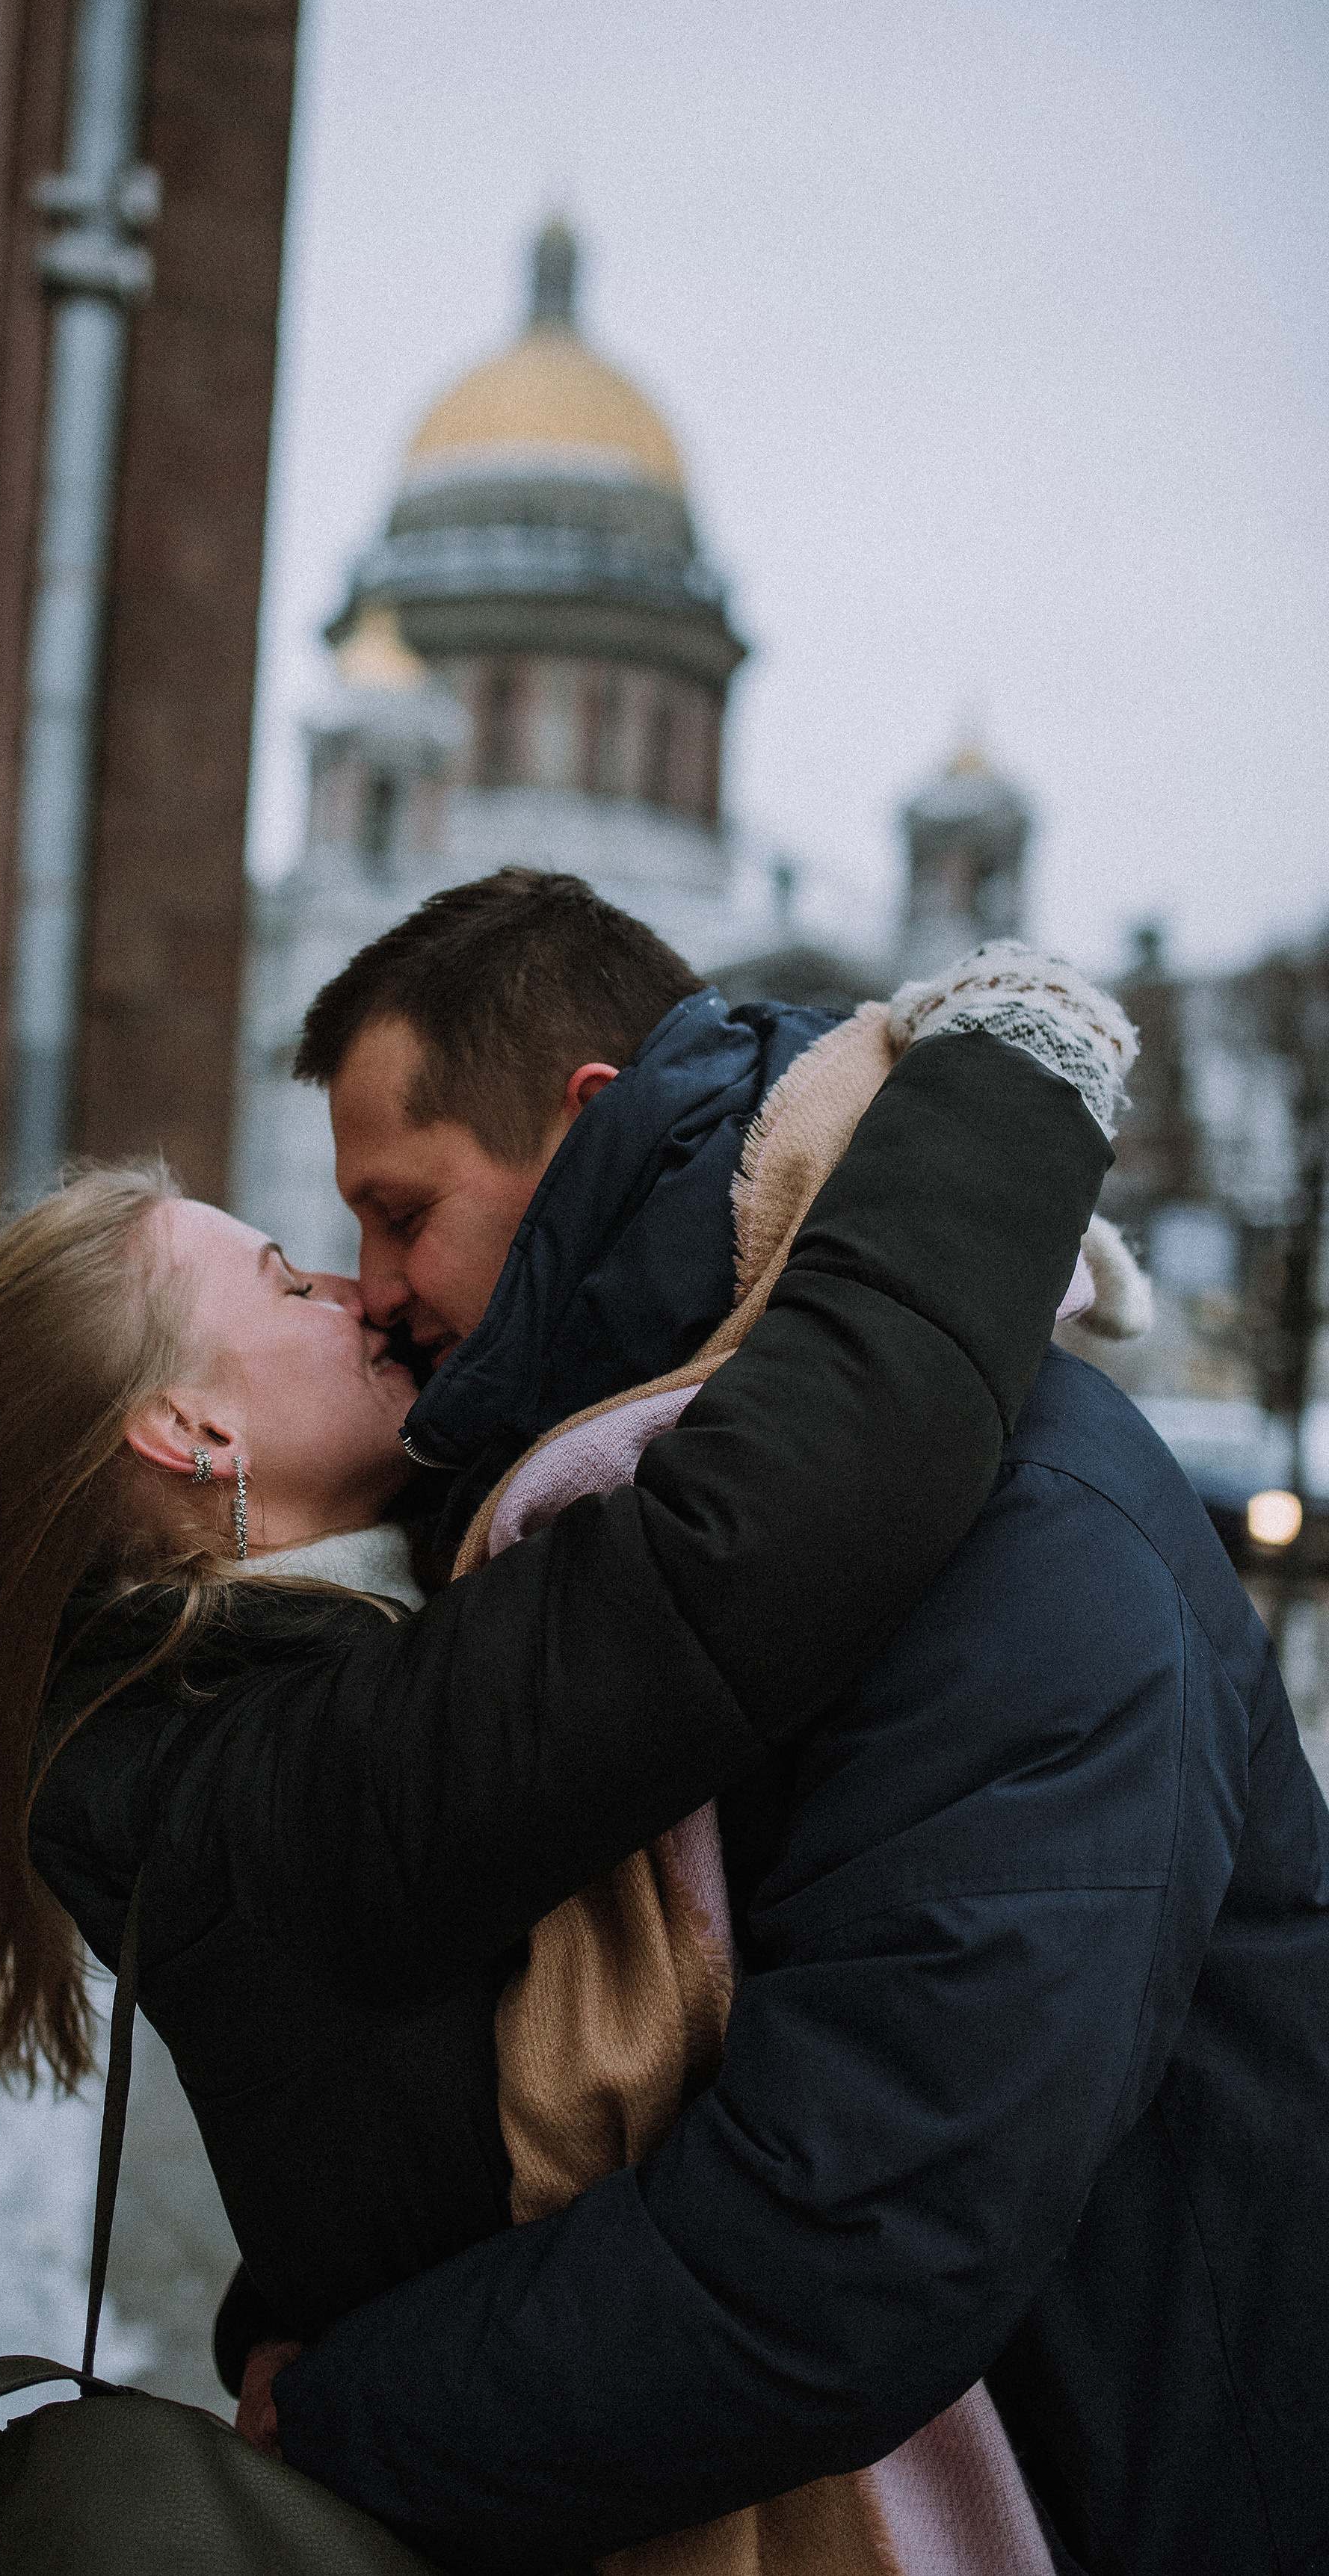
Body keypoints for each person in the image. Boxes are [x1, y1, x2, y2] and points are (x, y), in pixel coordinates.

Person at [0, 952, 1108, 2533]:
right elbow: (748, 1544)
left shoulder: (249, 1706)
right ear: (192, 1431)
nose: (355, 1290)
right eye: (287, 1281)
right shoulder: (271, 1772)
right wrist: (1010, 1082)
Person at [241, 873, 1329, 2576]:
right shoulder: (624, 1489)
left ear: (584, 1126)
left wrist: (346, 2416)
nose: (371, 1288)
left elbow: (855, 2230)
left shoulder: (1029, 1531)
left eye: (402, 1211)